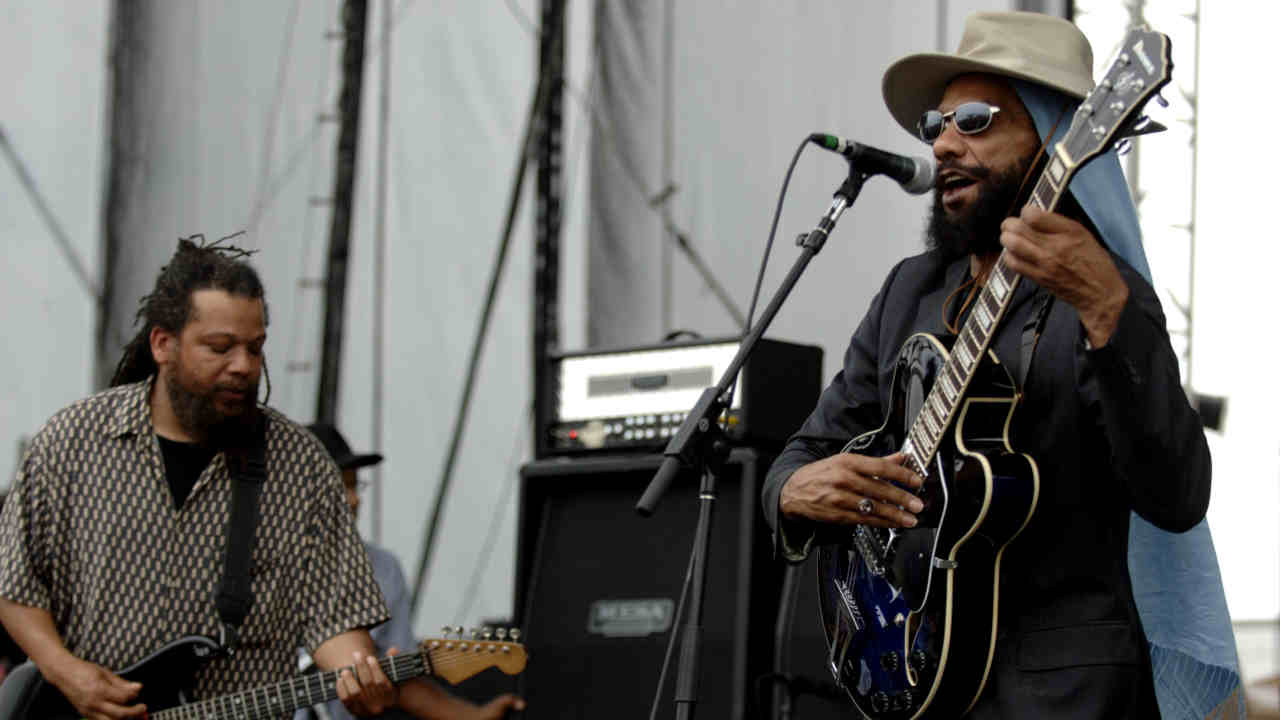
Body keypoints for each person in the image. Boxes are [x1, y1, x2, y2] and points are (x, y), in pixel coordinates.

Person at [762, 12, 1231, 718]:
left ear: (1053, 139)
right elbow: (803, 452)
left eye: (976, 121)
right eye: (935, 125)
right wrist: (795, 489)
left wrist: (1108, 311)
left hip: (1066, 695)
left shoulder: (1106, 293)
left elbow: (1177, 494)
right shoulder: (908, 292)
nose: (945, 143)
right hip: (913, 676)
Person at [0, 238, 473, 719]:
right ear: (163, 344)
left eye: (256, 347)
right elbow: (14, 583)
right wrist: (66, 672)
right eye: (220, 347)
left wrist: (360, 675)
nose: (244, 366)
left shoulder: (300, 467)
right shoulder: (75, 438)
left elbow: (336, 620)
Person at [299, 422, 524, 720]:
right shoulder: (252, 565)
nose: (354, 499)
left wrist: (474, 716)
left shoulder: (382, 568)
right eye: (340, 486)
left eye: (355, 485)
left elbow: (402, 682)